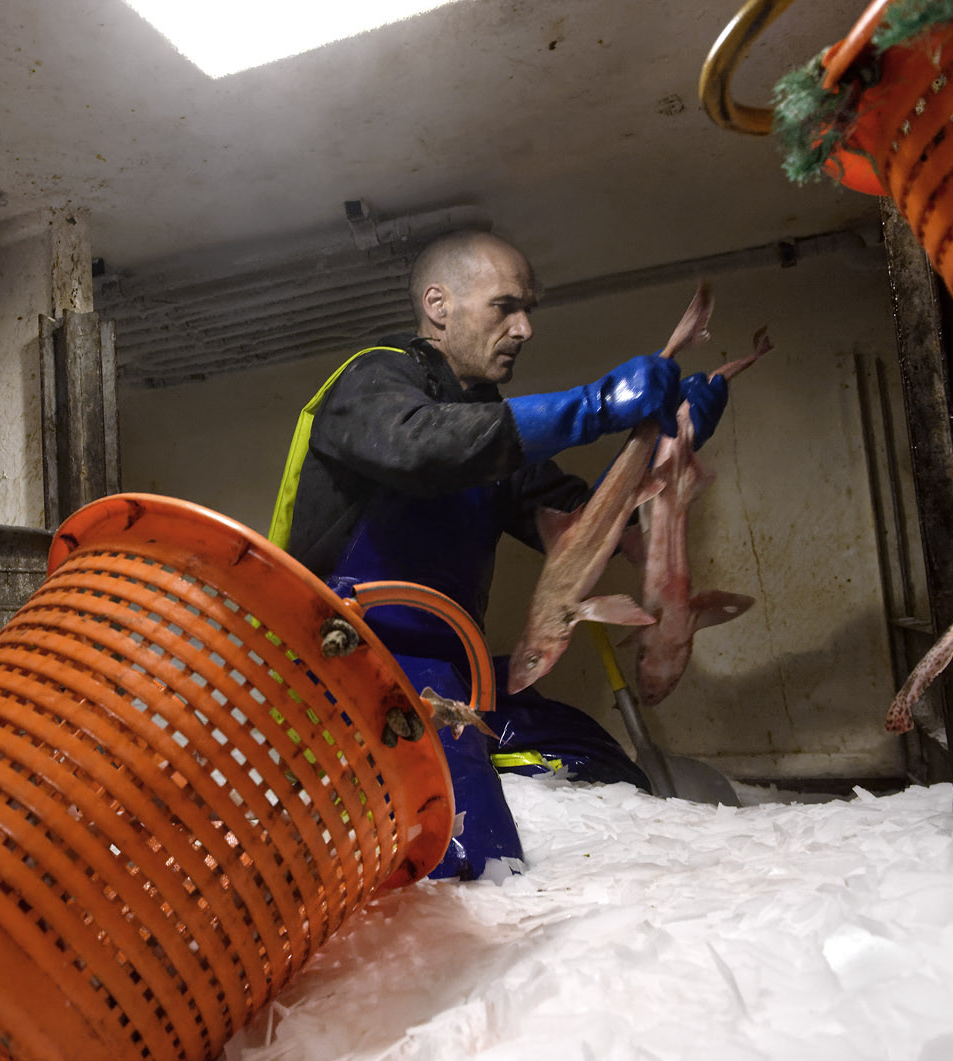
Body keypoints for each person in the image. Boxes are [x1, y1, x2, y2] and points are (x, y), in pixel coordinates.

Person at [267, 230, 729, 880]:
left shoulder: (488, 426)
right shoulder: (371, 379)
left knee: (599, 762)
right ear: (439, 304)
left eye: (529, 309)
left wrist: (665, 451)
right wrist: (592, 407)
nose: (525, 328)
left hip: (455, 675)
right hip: (339, 668)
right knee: (472, 864)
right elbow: (422, 447)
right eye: (505, 307)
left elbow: (581, 533)